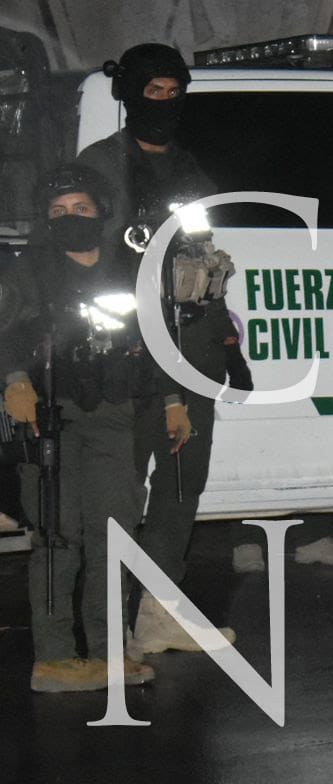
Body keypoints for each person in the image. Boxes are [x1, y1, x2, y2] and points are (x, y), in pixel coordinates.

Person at [78, 42, 246, 656]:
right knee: (119, 491)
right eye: (154, 92)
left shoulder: (190, 169)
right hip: (130, 351)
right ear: (129, 93)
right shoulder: (99, 167)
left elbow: (202, 256)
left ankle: (159, 613)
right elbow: (91, 272)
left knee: (181, 483)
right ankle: (106, 628)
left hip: (191, 345)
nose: (166, 103)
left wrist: (223, 335)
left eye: (176, 93)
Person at [0, 165, 155, 692]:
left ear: (101, 211)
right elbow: (5, 329)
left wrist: (172, 400)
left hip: (115, 413)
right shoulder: (28, 269)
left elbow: (153, 337)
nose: (71, 217)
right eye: (59, 211)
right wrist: (15, 380)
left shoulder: (127, 267)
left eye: (81, 208)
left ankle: (110, 651)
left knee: (114, 533)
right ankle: (55, 658)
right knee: (58, 534)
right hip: (49, 417)